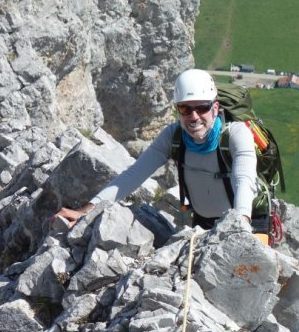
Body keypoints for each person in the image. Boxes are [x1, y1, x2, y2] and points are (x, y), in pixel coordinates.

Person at [53, 69, 258, 230]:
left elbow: (244, 179)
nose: (194, 116)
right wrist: (87, 211)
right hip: (203, 224)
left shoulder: (236, 135)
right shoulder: (173, 136)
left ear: (215, 108)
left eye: (202, 107)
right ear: (178, 110)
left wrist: (240, 222)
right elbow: (133, 175)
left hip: (250, 220)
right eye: (186, 109)